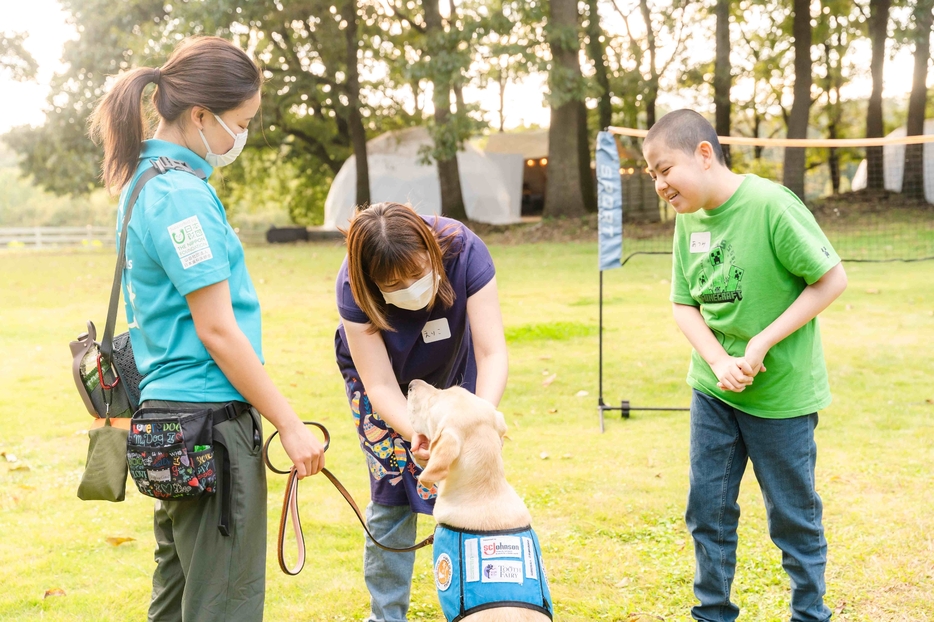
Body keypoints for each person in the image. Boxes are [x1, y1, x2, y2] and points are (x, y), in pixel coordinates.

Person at [88, 36, 325, 622]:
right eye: (240, 123)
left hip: (170, 422)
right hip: (210, 426)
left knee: (176, 598)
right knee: (223, 605)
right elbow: (217, 331)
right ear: (200, 116)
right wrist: (290, 426)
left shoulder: (145, 182)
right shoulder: (179, 196)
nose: (240, 138)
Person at [643, 109, 847, 622]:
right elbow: (683, 302)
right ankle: (712, 613)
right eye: (652, 176)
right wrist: (717, 360)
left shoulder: (771, 205)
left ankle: (810, 614)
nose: (659, 184)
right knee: (706, 511)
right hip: (713, 392)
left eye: (665, 169)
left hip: (780, 398)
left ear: (704, 154)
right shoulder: (687, 220)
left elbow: (830, 280)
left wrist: (758, 344)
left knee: (793, 517)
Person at [334, 202, 508, 622]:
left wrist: (478, 417)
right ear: (371, 282)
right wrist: (417, 431)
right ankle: (387, 615)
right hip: (387, 387)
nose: (410, 287)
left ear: (432, 250)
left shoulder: (464, 250)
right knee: (391, 501)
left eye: (417, 273)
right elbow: (378, 384)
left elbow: (492, 350)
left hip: (452, 374)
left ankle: (482, 607)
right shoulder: (351, 285)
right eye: (394, 283)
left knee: (470, 490)